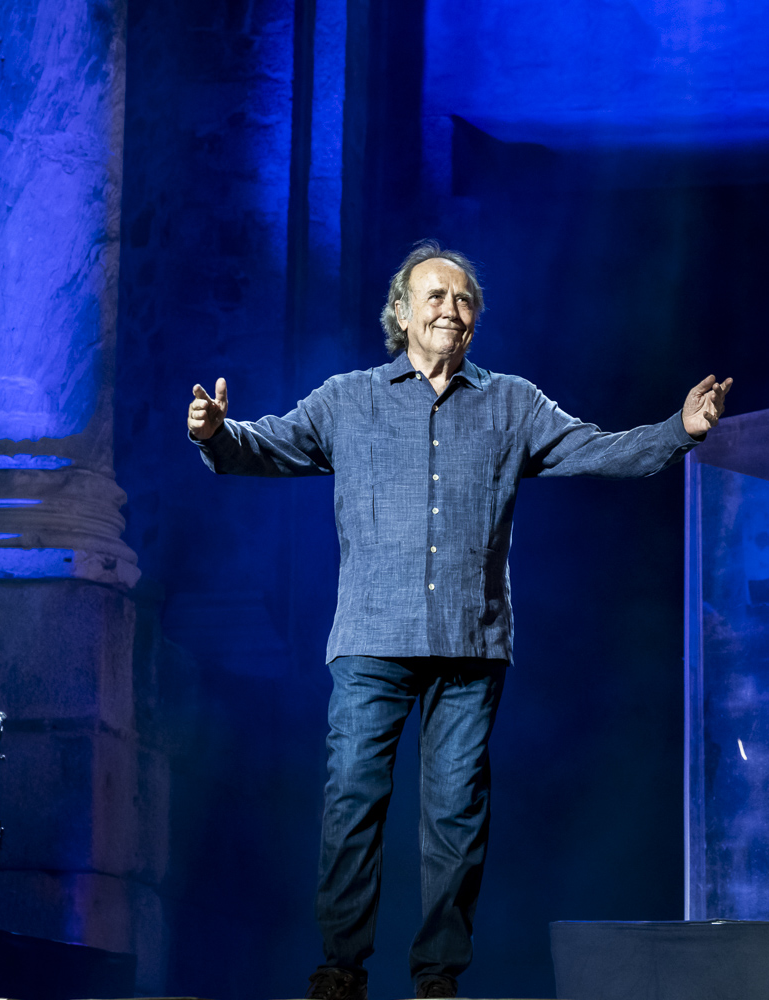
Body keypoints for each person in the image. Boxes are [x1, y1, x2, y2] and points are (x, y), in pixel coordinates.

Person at [187, 240, 731, 999]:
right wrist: (217, 432)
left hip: (471, 641)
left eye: (464, 298)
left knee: (456, 814)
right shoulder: (349, 398)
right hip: (373, 636)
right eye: (435, 296)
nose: (451, 308)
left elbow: (600, 450)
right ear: (401, 314)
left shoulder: (513, 402)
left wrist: (679, 430)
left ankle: (438, 974)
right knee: (352, 799)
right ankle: (341, 967)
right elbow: (266, 444)